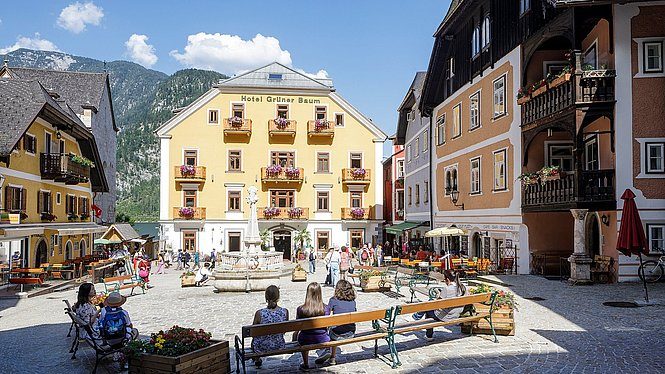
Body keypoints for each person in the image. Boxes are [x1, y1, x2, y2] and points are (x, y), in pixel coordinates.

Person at [412, 270, 467, 340]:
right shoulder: (463, 287)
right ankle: (417, 316)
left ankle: (428, 335)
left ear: (447, 279)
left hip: (446, 316)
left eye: (444, 280)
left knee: (429, 308)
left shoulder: (446, 289)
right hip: (457, 314)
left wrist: (438, 295)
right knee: (429, 304)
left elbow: (436, 304)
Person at [315, 280, 356, 366]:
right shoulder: (353, 301)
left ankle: (331, 356)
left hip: (337, 334)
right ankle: (330, 355)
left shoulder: (333, 300)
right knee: (336, 325)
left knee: (331, 326)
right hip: (350, 332)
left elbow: (327, 313)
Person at [251, 285, 289, 367]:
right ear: (278, 297)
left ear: (266, 297)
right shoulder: (285, 312)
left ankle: (257, 359)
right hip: (279, 344)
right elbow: (284, 331)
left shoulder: (259, 313)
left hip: (261, 347)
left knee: (255, 340)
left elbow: (252, 332)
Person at [295, 282, 330, 371]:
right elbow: (328, 325)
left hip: (305, 339)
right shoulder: (326, 308)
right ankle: (326, 350)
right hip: (322, 338)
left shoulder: (301, 309)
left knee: (303, 338)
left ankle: (306, 363)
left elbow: (297, 326)